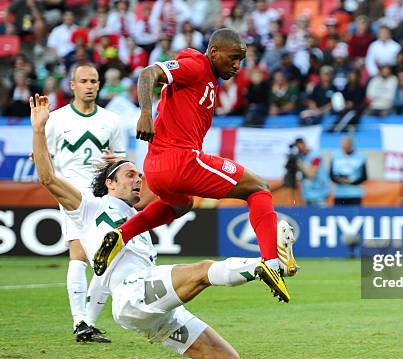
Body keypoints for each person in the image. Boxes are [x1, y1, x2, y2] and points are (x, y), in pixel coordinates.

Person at [30, 94, 298, 359]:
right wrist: (40, 130)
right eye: (130, 175)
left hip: (157, 308)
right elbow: (48, 178)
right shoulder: (88, 207)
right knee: (202, 271)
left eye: (139, 176)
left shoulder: (139, 215)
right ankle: (267, 263)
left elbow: (181, 199)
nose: (138, 180)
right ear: (110, 183)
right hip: (133, 292)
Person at [92, 28, 296, 303]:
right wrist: (144, 114)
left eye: (241, 60)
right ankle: (271, 263)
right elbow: (148, 74)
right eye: (233, 58)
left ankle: (121, 235)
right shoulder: (197, 66)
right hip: (182, 160)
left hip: (156, 167)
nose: (237, 66)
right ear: (214, 52)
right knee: (258, 188)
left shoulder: (208, 78)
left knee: (182, 204)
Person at [44, 63, 126, 343]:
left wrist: (115, 162)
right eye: (84, 81)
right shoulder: (56, 119)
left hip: (103, 198)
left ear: (100, 84)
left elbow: (122, 162)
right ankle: (80, 320)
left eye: (94, 80)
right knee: (78, 253)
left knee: (107, 257)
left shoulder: (111, 121)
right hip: (72, 194)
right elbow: (40, 154)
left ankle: (88, 323)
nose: (89, 85)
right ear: (73, 85)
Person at [330, 136, 367, 205]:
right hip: (339, 193)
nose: (343, 148)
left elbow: (364, 176)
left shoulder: (360, 156)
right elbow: (331, 174)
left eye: (345, 145)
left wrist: (351, 182)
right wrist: (340, 180)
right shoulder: (335, 155)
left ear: (351, 145)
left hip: (355, 194)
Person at [294, 138, 329, 207]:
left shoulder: (315, 156)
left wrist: (298, 163)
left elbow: (311, 174)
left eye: (298, 147)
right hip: (307, 195)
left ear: (303, 144)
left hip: (319, 194)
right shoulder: (301, 157)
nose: (298, 149)